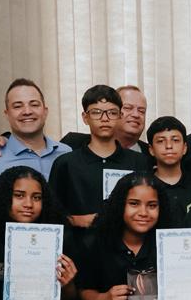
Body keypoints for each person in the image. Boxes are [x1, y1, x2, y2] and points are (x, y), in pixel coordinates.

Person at [0, 167, 77, 300]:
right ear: (4, 197)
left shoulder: (59, 238)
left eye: (36, 197)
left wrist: (68, 285)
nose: (28, 204)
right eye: (19, 195)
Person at [46, 85, 150, 228]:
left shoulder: (139, 162)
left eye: (112, 113)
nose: (104, 119)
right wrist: (75, 220)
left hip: (125, 246)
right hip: (77, 246)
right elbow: (51, 214)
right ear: (85, 117)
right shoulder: (65, 164)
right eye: (96, 112)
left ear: (120, 116)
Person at [79, 172, 166, 300]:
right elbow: (83, 291)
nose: (143, 212)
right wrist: (102, 299)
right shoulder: (96, 242)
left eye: (152, 205)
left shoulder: (168, 243)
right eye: (134, 204)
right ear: (120, 205)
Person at [0, 79, 72, 198]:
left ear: (45, 111)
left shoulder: (66, 154)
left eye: (34, 104)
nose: (27, 111)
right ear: (7, 114)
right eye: (18, 106)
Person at [59, 85, 150, 153]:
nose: (136, 115)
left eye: (141, 111)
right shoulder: (72, 145)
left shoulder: (153, 156)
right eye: (128, 108)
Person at [147, 116, 191, 227]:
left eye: (175, 140)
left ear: (184, 148)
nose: (169, 146)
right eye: (161, 141)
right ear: (151, 149)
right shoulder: (144, 186)